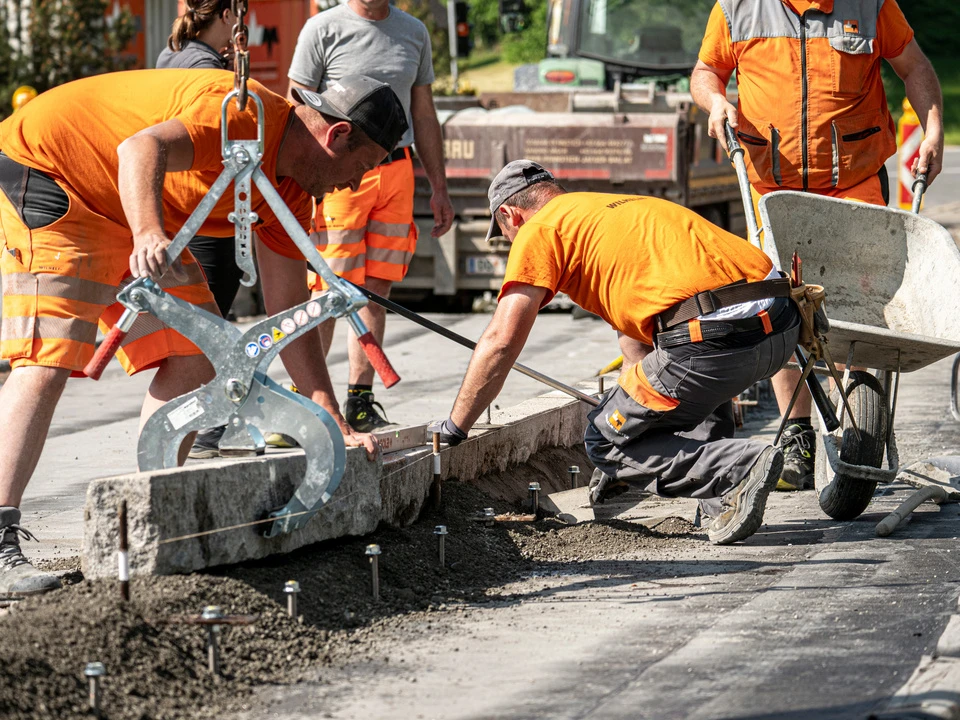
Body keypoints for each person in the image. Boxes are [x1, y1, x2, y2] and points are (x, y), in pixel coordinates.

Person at [0, 69, 407, 596]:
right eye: (364, 167)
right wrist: (148, 230)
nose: (354, 184)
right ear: (337, 136)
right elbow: (138, 148)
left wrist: (329, 418)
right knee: (47, 360)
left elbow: (290, 316)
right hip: (54, 175)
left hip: (125, 207)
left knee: (198, 355)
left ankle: (148, 514)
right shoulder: (242, 116)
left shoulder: (286, 193)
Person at [431, 160, 802, 546]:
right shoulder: (611, 211)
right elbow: (639, 355)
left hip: (712, 343)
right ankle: (722, 502)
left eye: (503, 232)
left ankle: (741, 467)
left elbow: (501, 342)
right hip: (779, 330)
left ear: (510, 214)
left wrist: (456, 426)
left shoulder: (538, 230)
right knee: (681, 392)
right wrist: (630, 432)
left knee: (603, 439)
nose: (509, 241)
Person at [691, 0, 944, 491]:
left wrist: (932, 130)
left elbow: (915, 66)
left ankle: (858, 422)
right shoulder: (739, 8)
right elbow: (707, 71)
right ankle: (796, 437)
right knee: (777, 308)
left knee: (858, 308)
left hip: (854, 184)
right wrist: (715, 100)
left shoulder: (869, 6)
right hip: (774, 189)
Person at [286, 0, 454, 433]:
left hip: (396, 171)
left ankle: (360, 399)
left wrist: (439, 185)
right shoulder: (321, 29)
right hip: (340, 174)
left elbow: (423, 113)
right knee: (328, 289)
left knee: (376, 287)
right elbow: (295, 106)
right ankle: (306, 400)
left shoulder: (413, 32)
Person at [156, 0, 247, 459]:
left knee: (194, 330)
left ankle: (198, 428)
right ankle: (205, 430)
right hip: (208, 211)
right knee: (208, 329)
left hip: (180, 208)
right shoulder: (205, 68)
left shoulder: (171, 56)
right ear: (229, 16)